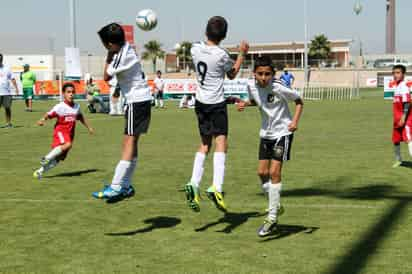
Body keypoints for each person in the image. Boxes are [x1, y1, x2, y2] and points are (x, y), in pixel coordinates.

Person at [184, 16, 249, 213]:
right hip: (216, 104)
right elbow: (232, 73)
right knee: (221, 142)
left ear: (206, 31)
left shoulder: (194, 49)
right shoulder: (222, 54)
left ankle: (194, 183)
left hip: (200, 102)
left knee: (204, 144)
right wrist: (241, 54)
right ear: (224, 35)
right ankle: (216, 187)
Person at [237, 56, 303, 237]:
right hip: (265, 134)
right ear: (254, 74)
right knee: (261, 173)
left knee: (274, 172)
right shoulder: (251, 86)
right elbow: (258, 101)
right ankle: (276, 204)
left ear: (273, 74)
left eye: (267, 74)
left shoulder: (279, 87)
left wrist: (295, 122)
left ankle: (272, 217)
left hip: (283, 133)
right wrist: (245, 103)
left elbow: (299, 101)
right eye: (260, 74)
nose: (264, 77)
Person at [92, 23, 152, 203]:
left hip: (137, 101)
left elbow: (106, 76)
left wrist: (108, 55)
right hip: (139, 100)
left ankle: (117, 186)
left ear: (110, 44)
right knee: (131, 144)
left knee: (129, 142)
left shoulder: (121, 55)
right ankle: (125, 186)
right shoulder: (125, 50)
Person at [33, 83, 94, 179]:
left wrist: (89, 127)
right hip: (60, 131)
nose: (71, 94)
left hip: (70, 134)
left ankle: (40, 172)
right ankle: (46, 158)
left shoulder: (76, 106)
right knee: (67, 144)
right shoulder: (60, 106)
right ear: (64, 94)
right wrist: (42, 120)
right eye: (68, 92)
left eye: (73, 92)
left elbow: (80, 117)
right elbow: (49, 114)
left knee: (59, 158)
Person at [391, 65, 412, 167]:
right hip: (397, 119)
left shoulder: (403, 86)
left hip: (405, 119)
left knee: (408, 139)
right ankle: (398, 160)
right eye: (394, 73)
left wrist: (403, 117)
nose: (396, 75)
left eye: (398, 73)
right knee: (396, 140)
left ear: (403, 74)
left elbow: (407, 103)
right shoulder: (397, 86)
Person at [0, 53, 19, 128]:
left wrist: (16, 88)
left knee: (7, 108)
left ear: (2, 59)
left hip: (6, 92)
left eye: (0, 59)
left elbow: (13, 79)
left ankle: (8, 123)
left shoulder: (7, 68)